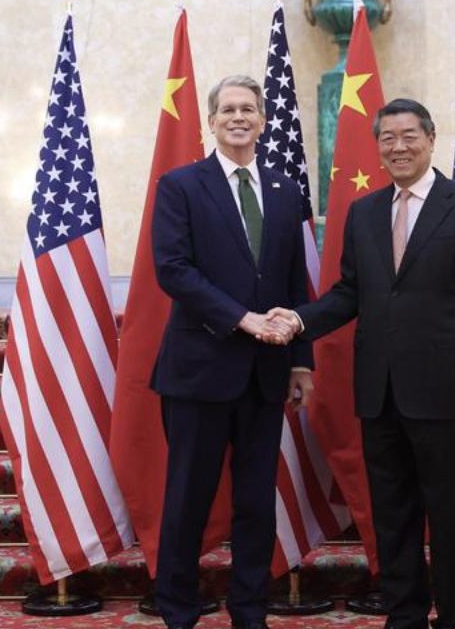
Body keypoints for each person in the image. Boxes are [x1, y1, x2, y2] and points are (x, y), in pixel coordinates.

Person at [267, 98, 455, 629]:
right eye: (387, 138)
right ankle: (405, 616)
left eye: (408, 136)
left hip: (447, 390)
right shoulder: (365, 211)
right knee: (392, 515)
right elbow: (350, 292)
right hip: (379, 390)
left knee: (449, 515)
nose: (398, 147)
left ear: (430, 138)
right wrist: (299, 321)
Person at [149, 75, 313, 629]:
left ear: (263, 120)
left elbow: (296, 279)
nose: (238, 117)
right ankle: (176, 607)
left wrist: (302, 359)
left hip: (267, 375)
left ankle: (249, 609)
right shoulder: (180, 185)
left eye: (248, 109)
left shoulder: (287, 190)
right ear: (210, 123)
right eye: (227, 110)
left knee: (255, 504)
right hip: (199, 371)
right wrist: (241, 319)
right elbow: (172, 270)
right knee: (188, 499)